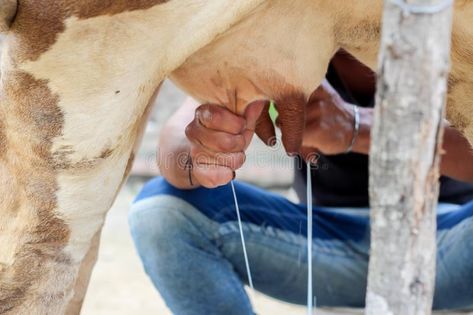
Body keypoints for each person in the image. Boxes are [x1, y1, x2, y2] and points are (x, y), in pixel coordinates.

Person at [128, 50, 473, 315]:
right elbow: (174, 147)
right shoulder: (287, 40)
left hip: (451, 243)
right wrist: (200, 152)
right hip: (320, 248)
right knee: (160, 212)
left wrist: (359, 128)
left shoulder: (453, 27)